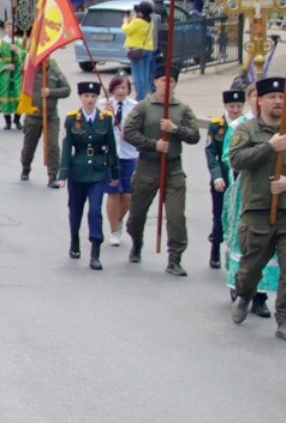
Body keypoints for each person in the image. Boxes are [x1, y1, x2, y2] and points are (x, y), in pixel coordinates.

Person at [122, 63, 200, 276]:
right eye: (163, 80)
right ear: (155, 81)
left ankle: (175, 258)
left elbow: (194, 136)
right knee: (136, 216)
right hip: (147, 166)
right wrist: (152, 144)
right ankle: (136, 242)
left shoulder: (182, 109)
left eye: (172, 80)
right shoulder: (144, 107)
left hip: (173, 168)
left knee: (176, 217)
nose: (167, 84)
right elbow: (128, 132)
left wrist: (176, 130)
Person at [227, 76, 286, 340]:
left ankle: (283, 319)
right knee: (250, 269)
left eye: (282, 97)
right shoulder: (247, 130)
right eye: (273, 97)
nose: (278, 101)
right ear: (259, 100)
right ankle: (245, 295)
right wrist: (268, 147)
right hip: (258, 210)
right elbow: (237, 160)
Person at [57, 82, 120, 270]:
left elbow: (111, 146)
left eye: (93, 96)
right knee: (75, 211)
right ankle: (74, 239)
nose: (90, 100)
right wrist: (63, 174)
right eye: (86, 96)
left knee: (94, 210)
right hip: (78, 171)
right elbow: (67, 148)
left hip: (98, 172)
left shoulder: (105, 118)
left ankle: (95, 251)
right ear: (80, 98)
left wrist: (114, 171)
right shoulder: (71, 119)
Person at [206, 90, 247, 269]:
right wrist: (216, 177)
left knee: (237, 218)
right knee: (219, 215)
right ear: (225, 106)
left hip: (240, 178)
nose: (235, 110)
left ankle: (234, 254)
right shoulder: (217, 125)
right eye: (232, 106)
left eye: (239, 106)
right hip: (222, 178)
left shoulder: (246, 125)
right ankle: (215, 248)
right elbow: (211, 152)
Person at [20, 57, 71, 188]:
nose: (45, 59)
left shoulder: (55, 72)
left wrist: (51, 92)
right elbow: (21, 70)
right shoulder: (30, 70)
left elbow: (67, 90)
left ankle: (52, 176)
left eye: (47, 57)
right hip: (33, 115)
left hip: (51, 116)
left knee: (53, 146)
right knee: (29, 146)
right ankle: (26, 167)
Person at [103, 75, 139, 246]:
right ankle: (114, 230)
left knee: (127, 193)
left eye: (123, 88)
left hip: (129, 153)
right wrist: (107, 116)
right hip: (111, 154)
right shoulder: (103, 105)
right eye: (117, 88)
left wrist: (131, 135)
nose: (120, 91)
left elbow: (141, 130)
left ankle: (119, 220)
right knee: (113, 191)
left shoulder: (135, 107)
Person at [0, 22, 24, 130]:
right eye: (8, 27)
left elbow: (26, 54)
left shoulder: (20, 42)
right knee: (5, 96)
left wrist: (17, 51)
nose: (10, 29)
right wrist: (6, 66)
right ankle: (8, 121)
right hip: (5, 75)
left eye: (12, 27)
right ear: (5, 29)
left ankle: (17, 119)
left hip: (18, 73)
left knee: (20, 96)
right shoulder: (0, 43)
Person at [122, 2, 155, 100]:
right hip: (147, 48)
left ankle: (140, 97)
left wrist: (125, 22)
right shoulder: (150, 21)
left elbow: (127, 30)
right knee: (145, 74)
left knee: (137, 75)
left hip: (136, 49)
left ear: (140, 12)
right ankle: (144, 95)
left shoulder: (137, 22)